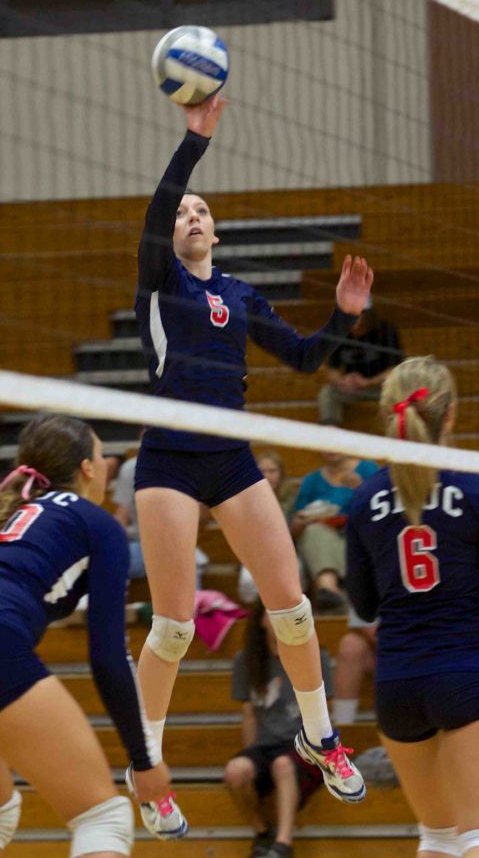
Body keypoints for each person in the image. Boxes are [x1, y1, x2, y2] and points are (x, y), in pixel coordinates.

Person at [131, 93, 371, 835]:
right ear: (171, 234)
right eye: (183, 213)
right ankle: (147, 767)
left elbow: (301, 357)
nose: (192, 216)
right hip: (170, 454)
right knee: (172, 626)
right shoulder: (160, 284)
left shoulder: (239, 295)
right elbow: (159, 206)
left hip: (230, 459)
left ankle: (320, 737)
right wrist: (193, 142)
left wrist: (344, 316)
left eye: (202, 211)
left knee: (292, 607)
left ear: (217, 230)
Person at [344, 355, 479, 858]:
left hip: (398, 684)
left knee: (438, 837)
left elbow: (364, 606)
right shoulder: (476, 488)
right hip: (465, 673)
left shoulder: (365, 500)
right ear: (449, 415)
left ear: (389, 414)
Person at [0, 414, 173, 855]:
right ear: (88, 469)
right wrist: (145, 759)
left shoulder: (13, 511)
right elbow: (109, 656)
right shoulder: (96, 524)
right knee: (102, 817)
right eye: (100, 454)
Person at [225, 600, 331, 858]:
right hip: (266, 746)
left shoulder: (314, 655)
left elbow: (325, 711)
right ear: (261, 621)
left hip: (305, 746)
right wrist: (250, 754)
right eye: (273, 615)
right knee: (235, 772)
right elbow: (249, 714)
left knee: (283, 765)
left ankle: (283, 845)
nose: (279, 621)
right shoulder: (247, 660)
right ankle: (262, 833)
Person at [289, 451, 379, 612]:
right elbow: (294, 531)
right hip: (325, 536)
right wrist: (300, 522)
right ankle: (328, 589)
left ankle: (333, 594)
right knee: (313, 531)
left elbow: (383, 509)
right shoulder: (311, 481)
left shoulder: (368, 469)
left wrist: (360, 489)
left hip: (360, 535)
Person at [113, 453, 209, 585]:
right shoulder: (132, 468)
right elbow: (121, 516)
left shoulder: (191, 466)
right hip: (140, 544)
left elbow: (201, 519)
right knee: (107, 560)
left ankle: (190, 604)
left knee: (183, 559)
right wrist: (114, 547)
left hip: (177, 546)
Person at [317, 295, 404, 427]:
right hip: (352, 389)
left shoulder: (387, 331)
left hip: (382, 388)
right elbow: (331, 369)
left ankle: (397, 432)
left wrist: (369, 382)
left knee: (400, 394)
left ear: (367, 315)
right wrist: (343, 381)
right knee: (328, 393)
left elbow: (395, 370)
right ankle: (331, 434)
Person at [238, 451, 303, 605]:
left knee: (294, 575)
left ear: (281, 473)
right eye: (262, 471)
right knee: (248, 581)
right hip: (256, 553)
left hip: (289, 552)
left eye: (272, 471)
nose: (267, 475)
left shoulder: (292, 498)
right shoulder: (245, 499)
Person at [332, 607, 377, 725]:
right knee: (350, 645)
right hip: (386, 646)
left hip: (420, 645)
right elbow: (370, 629)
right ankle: (343, 728)